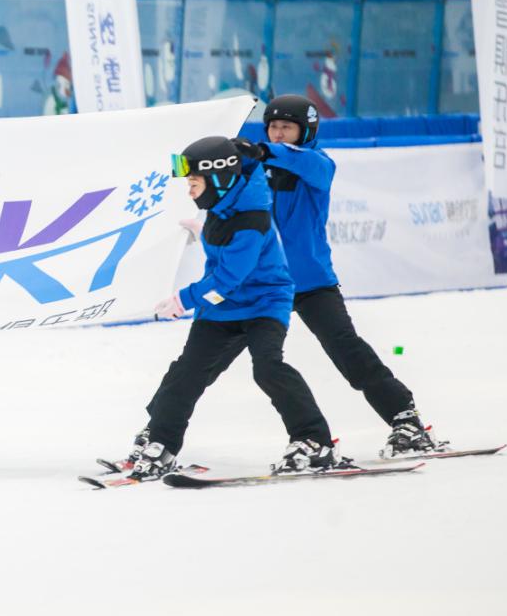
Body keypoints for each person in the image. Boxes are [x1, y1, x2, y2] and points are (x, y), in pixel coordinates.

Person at [233, 94, 446, 457]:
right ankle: (160, 434)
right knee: (208, 360)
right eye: (272, 127)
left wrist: (263, 151)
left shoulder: (318, 163)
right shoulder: (256, 168)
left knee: (348, 351)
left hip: (312, 283)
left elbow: (300, 160)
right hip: (264, 286)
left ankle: (405, 419)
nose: (278, 133)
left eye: (286, 127)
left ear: (306, 131)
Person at [122, 136, 344, 481]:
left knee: (268, 368)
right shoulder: (224, 202)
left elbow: (228, 278)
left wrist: (183, 300)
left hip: (263, 304)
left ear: (218, 179)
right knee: (187, 372)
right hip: (223, 308)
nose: (189, 192)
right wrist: (204, 232)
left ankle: (314, 441)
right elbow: (225, 252)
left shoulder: (251, 219)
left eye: (194, 184)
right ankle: (161, 442)